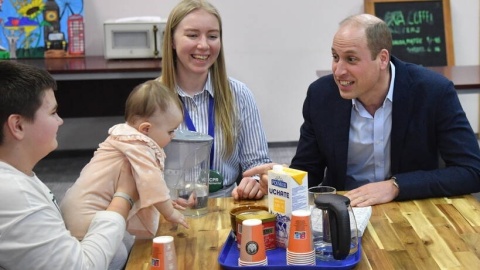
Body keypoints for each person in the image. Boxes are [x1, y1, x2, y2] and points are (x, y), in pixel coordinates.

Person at [245, 13, 480, 207]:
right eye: (335, 57)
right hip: (345, 210)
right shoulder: (321, 96)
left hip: (413, 207)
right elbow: (309, 173)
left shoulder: (433, 92)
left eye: (351, 59)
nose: (338, 71)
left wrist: (396, 186)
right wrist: (280, 179)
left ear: (382, 59)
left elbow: (471, 171)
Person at [0, 61, 138, 269]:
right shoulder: (15, 193)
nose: (60, 121)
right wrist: (124, 196)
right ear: (17, 125)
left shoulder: (18, 175)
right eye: (53, 112)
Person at [60, 80, 189, 269]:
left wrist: (166, 201)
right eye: (171, 131)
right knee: (117, 256)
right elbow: (151, 181)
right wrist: (169, 212)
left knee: (122, 246)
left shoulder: (123, 137)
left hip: (76, 209)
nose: (174, 136)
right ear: (146, 129)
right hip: (88, 217)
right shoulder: (139, 145)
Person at [158, 0, 272, 199]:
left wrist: (254, 182)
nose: (203, 45)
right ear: (172, 41)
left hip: (227, 207)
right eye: (192, 35)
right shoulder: (153, 99)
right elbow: (139, 171)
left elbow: (257, 165)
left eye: (212, 36)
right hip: (171, 208)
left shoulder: (239, 94)